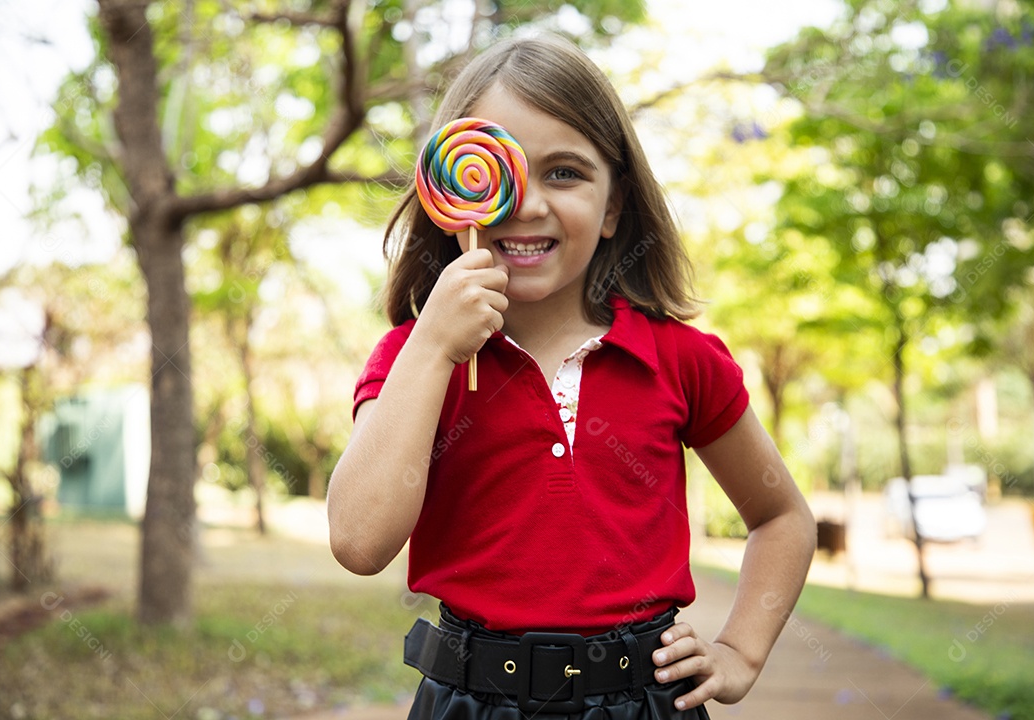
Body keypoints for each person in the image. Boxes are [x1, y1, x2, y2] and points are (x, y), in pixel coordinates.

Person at [328, 33, 816, 720]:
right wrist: (434, 346)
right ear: (448, 194)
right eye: (499, 169)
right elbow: (358, 542)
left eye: (564, 173)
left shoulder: (681, 360)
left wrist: (740, 650)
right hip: (470, 702)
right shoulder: (415, 359)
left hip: (642, 702)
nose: (527, 204)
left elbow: (782, 516)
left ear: (614, 206)